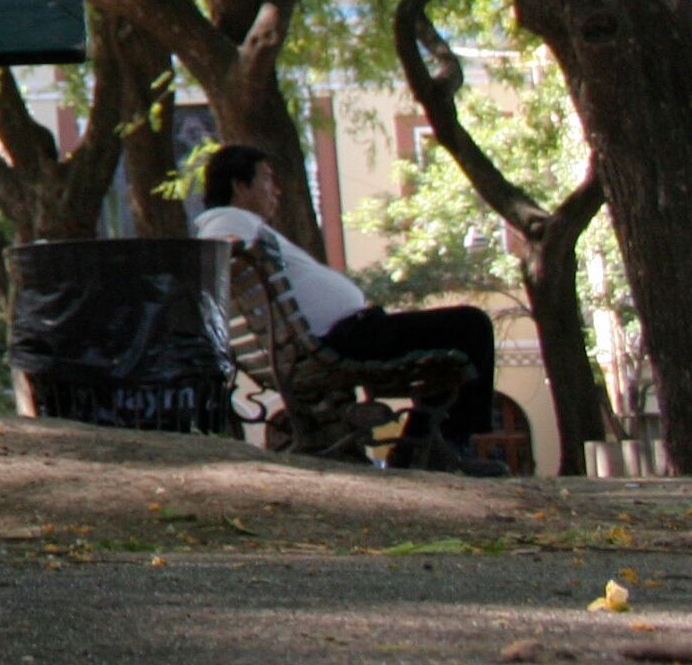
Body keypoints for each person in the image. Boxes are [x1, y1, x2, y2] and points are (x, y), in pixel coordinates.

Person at [193, 143, 507, 475]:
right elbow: (220, 244)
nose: (276, 191)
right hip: (343, 339)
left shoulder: (243, 224)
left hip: (341, 335)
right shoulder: (229, 222)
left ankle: (420, 448)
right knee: (471, 326)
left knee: (448, 347)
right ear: (239, 186)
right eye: (267, 180)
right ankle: (450, 444)